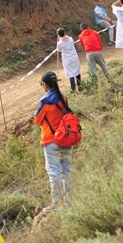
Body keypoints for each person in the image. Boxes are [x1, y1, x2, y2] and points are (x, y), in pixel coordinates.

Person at [35, 71, 74, 212]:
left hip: (51, 140)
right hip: (66, 138)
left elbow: (38, 120)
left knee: (54, 172)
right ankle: (68, 201)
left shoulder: (45, 101)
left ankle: (56, 202)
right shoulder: (63, 98)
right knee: (66, 171)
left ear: (44, 85)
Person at [56, 27, 82, 92]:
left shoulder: (59, 43)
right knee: (77, 71)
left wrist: (58, 41)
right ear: (65, 32)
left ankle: (73, 89)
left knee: (70, 74)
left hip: (67, 59)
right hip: (74, 57)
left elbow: (58, 51)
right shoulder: (70, 39)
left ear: (58, 34)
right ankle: (80, 86)